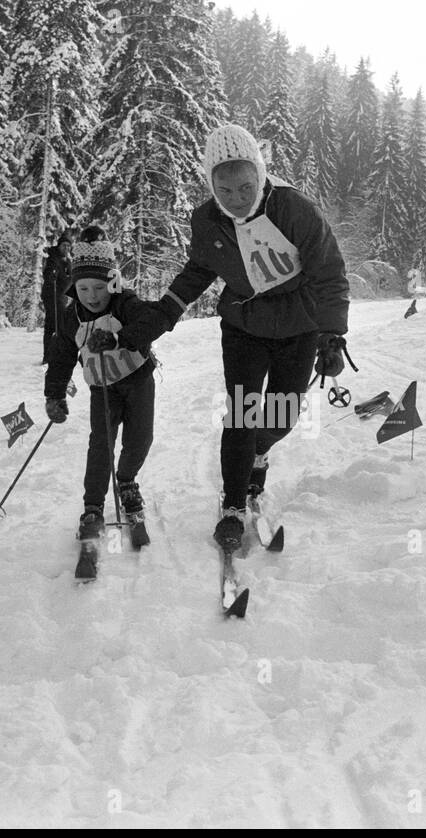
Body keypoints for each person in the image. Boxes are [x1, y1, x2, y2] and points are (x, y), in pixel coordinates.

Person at [129, 124, 350, 550]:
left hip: (298, 325)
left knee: (282, 416)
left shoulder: (292, 208)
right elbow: (197, 272)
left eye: (246, 187)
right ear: (211, 184)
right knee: (243, 414)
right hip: (243, 327)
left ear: (261, 175)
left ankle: (257, 453)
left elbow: (329, 271)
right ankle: (232, 505)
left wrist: (332, 333)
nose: (237, 198)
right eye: (225, 190)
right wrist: (160, 317)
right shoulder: (207, 219)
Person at [43, 228, 161, 539]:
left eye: (98, 287)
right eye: (83, 288)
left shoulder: (125, 303)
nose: (92, 296)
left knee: (140, 440)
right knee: (101, 445)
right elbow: (61, 356)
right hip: (102, 389)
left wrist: (120, 337)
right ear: (74, 288)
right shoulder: (72, 318)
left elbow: (151, 320)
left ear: (112, 282)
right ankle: (93, 507)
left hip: (137, 381)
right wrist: (55, 394)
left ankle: (126, 480)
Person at [41, 233, 74, 364]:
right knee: (56, 325)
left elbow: (69, 278)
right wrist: (53, 276)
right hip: (52, 295)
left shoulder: (66, 260)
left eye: (69, 246)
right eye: (64, 245)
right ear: (59, 245)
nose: (67, 248)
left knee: (54, 325)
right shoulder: (53, 257)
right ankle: (51, 356)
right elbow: (48, 274)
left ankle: (50, 356)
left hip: (60, 296)